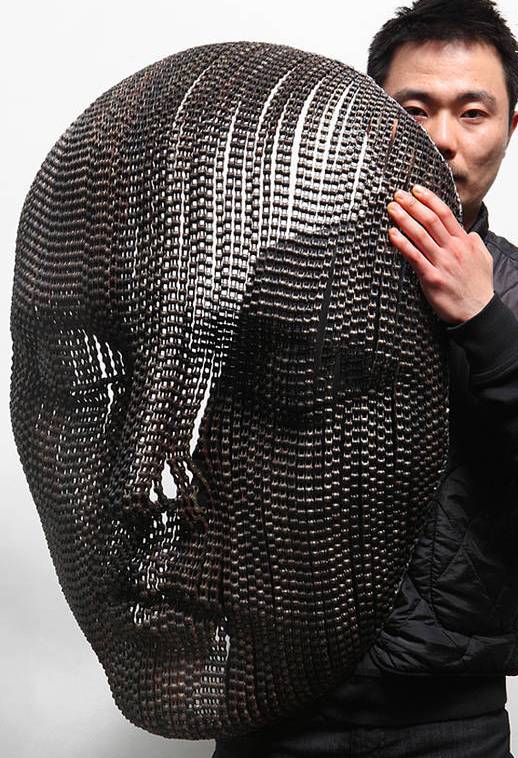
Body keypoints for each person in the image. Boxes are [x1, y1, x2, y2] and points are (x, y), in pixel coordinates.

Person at [211, 0, 518, 755]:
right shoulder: (281, 275)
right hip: (274, 710)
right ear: (370, 120)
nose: (442, 139)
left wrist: (485, 321)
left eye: (472, 112)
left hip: (451, 720)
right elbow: (222, 474)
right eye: (414, 110)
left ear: (510, 126)